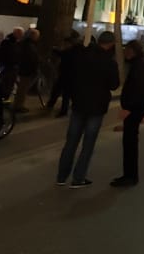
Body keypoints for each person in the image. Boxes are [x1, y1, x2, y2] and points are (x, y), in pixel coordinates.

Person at [56, 31, 120, 188]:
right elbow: (114, 84)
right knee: (88, 144)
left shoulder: (82, 56)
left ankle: (61, 176)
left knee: (71, 142)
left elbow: (72, 75)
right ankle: (78, 177)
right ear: (111, 44)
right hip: (97, 106)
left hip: (79, 103)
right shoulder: (109, 62)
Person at [113, 39, 144, 187]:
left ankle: (130, 175)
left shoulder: (139, 67)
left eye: (127, 50)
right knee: (130, 140)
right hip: (138, 106)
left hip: (134, 107)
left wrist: (128, 108)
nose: (125, 53)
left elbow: (137, 89)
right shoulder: (142, 65)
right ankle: (129, 174)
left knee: (129, 141)